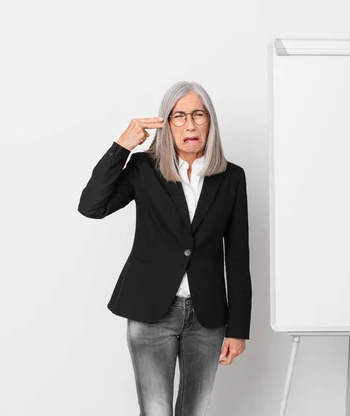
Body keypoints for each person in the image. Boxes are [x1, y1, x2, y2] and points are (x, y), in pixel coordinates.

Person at [77, 80, 252, 416]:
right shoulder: (145, 169)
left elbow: (238, 255)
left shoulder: (231, 178)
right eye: (179, 116)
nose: (190, 125)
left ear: (210, 122)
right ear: (167, 124)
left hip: (208, 317)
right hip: (151, 311)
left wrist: (239, 327)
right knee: (156, 411)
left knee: (195, 410)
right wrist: (121, 147)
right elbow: (91, 206)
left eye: (198, 115)